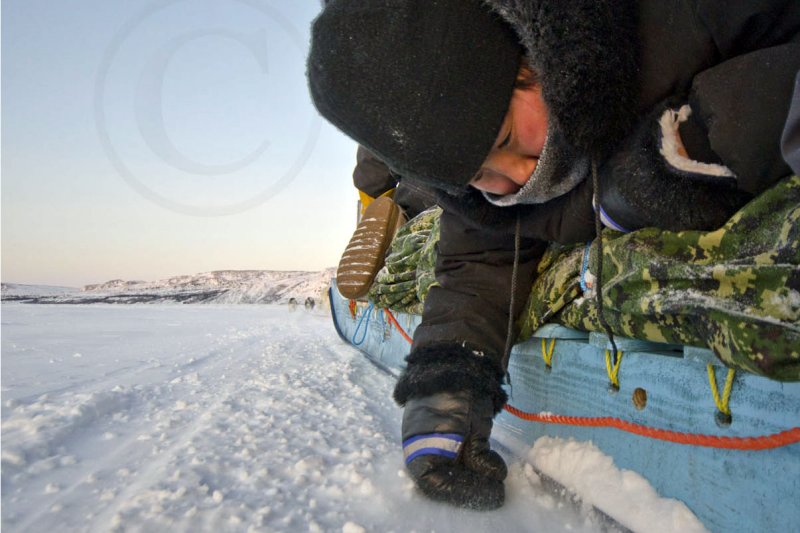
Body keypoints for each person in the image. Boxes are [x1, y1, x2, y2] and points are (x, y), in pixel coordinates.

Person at [308, 0, 800, 510]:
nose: (515, 178)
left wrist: (691, 144)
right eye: (479, 176)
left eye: (505, 138)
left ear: (528, 56)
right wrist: (444, 393)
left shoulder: (675, 23)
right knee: (442, 229)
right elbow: (475, 267)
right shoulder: (480, 197)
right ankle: (401, 212)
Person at [336, 146, 436, 300]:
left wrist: (375, 201)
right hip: (473, 191)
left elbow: (375, 141)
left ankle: (402, 233)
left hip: (422, 191)